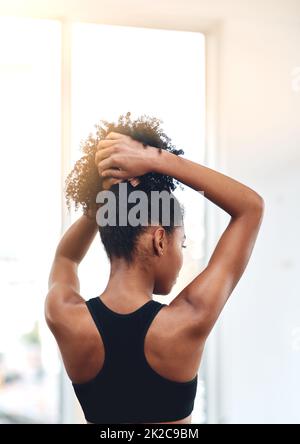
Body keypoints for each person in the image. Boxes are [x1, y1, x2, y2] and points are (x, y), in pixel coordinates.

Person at [45, 113, 264, 424]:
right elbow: (250, 208)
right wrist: (155, 159)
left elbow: (66, 259)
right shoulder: (187, 319)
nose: (181, 254)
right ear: (160, 240)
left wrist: (105, 203)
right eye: (182, 242)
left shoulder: (64, 315)